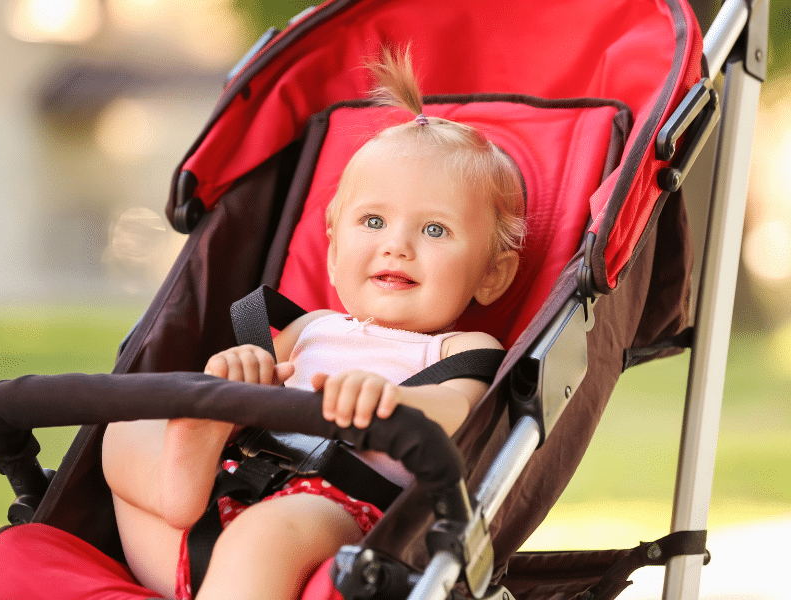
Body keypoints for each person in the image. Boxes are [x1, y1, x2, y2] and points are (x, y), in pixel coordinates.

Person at [101, 45, 526, 600]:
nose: (395, 246)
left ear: (492, 275)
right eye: (373, 221)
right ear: (331, 251)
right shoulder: (311, 328)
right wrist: (237, 378)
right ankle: (184, 475)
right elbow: (259, 397)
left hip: (334, 516)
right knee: (123, 429)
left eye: (435, 231)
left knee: (271, 532)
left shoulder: (459, 349)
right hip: (219, 500)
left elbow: (458, 413)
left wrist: (390, 401)